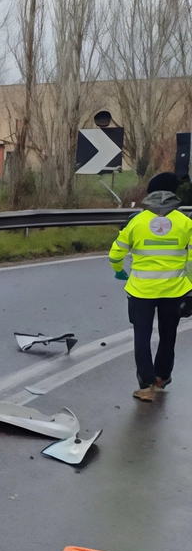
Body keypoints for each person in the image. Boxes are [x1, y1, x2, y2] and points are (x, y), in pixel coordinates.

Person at [109, 172, 192, 402]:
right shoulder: (186, 222)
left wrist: (118, 270)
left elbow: (116, 253)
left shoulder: (137, 221)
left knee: (142, 336)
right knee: (168, 336)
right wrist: (190, 284)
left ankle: (146, 386)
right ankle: (161, 378)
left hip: (141, 291)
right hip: (174, 290)